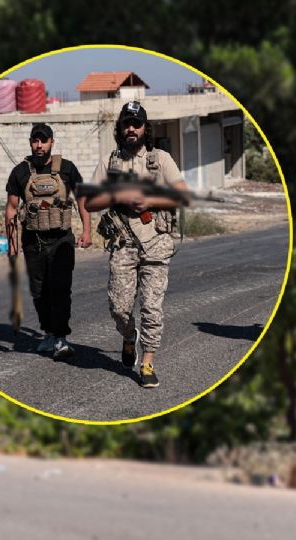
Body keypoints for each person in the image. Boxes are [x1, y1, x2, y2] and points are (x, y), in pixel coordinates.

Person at [83, 101, 188, 388]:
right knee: (119, 306)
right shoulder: (109, 162)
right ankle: (130, 337)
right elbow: (91, 202)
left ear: (145, 128)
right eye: (126, 123)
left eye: (136, 123)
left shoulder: (160, 159)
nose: (131, 128)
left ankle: (147, 363)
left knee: (152, 308)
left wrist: (150, 200)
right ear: (119, 128)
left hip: (155, 241)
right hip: (122, 243)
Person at [5, 123, 91, 358]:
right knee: (38, 291)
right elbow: (12, 209)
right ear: (30, 142)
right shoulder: (20, 172)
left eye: (44, 140)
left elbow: (82, 199)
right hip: (33, 242)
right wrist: (11, 244)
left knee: (60, 289)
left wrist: (87, 231)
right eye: (35, 140)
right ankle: (49, 334)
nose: (39, 145)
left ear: (52, 142)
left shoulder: (67, 168)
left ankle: (61, 337)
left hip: (62, 240)